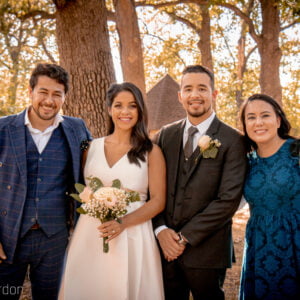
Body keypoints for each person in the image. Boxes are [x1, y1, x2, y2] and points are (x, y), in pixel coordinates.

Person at [58, 82, 166, 300]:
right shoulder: (90, 148)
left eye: (132, 106)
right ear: (109, 109)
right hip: (90, 234)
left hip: (133, 235)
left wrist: (122, 223)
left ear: (140, 111)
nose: (125, 112)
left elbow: (158, 201)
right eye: (118, 105)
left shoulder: (151, 151)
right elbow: (82, 191)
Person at [153, 64, 247, 300]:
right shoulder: (165, 135)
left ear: (213, 94)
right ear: (180, 95)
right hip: (164, 248)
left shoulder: (233, 140)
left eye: (202, 89)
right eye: (189, 89)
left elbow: (228, 200)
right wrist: (161, 229)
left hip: (208, 251)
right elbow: (151, 187)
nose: (195, 95)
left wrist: (183, 238)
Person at [0, 63, 92, 299]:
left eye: (56, 94)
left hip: (55, 239)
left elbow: (93, 163)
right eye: (43, 92)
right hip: (8, 238)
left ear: (64, 97)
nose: (49, 100)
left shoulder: (77, 130)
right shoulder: (3, 129)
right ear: (30, 92)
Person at [239, 94, 300, 300]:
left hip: (296, 242)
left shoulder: (297, 152)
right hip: (260, 245)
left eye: (265, 115)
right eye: (251, 117)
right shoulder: (247, 161)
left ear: (278, 120)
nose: (258, 122)